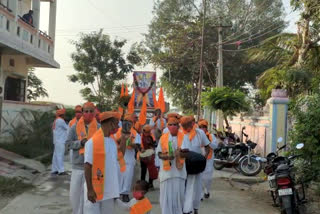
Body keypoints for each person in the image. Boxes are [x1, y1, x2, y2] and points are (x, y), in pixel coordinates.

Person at [84, 111, 128, 214]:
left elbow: (120, 155)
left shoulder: (111, 141)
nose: (118, 126)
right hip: (95, 190)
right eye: (117, 123)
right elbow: (87, 166)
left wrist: (124, 139)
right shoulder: (92, 143)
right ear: (110, 123)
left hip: (109, 191)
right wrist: (90, 189)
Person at [66, 102, 99, 214]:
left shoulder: (99, 128)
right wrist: (81, 143)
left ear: (94, 112)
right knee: (75, 197)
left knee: (89, 199)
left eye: (91, 111)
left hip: (93, 168)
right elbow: (68, 144)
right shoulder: (74, 127)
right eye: (86, 111)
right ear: (83, 112)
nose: (89, 113)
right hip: (78, 168)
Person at [157, 117, 188, 214]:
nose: (173, 126)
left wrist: (178, 153)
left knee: (178, 199)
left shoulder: (184, 137)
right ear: (167, 126)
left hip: (179, 173)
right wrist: (166, 157)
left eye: (175, 124)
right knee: (165, 200)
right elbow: (159, 153)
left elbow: (187, 154)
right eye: (170, 124)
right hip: (166, 174)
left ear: (178, 126)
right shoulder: (163, 138)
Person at [180, 116, 211, 214]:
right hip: (182, 165)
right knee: (183, 188)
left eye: (187, 126)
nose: (185, 128)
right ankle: (185, 209)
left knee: (196, 188)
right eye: (183, 126)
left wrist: (203, 159)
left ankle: (195, 208)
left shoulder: (199, 133)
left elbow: (207, 147)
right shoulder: (179, 133)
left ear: (192, 124)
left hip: (196, 166)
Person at [114, 114, 141, 202]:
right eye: (126, 122)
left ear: (132, 123)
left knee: (128, 176)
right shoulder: (118, 131)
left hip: (129, 158)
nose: (128, 124)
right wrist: (123, 138)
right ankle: (117, 194)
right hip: (120, 157)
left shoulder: (135, 133)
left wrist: (130, 144)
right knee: (118, 176)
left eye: (130, 122)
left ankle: (125, 194)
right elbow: (115, 141)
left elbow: (137, 146)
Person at [198, 119, 218, 199]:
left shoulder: (211, 136)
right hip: (199, 159)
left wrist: (207, 142)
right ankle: (200, 194)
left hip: (209, 160)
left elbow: (215, 146)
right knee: (200, 177)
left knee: (208, 178)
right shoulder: (196, 136)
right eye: (200, 127)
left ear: (206, 128)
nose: (202, 129)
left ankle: (207, 190)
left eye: (204, 127)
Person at [140, 125, 158, 189]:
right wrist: (141, 149)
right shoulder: (140, 136)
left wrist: (152, 147)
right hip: (143, 155)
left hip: (150, 155)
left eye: (148, 132)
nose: (148, 133)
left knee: (151, 170)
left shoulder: (151, 135)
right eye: (146, 132)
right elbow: (138, 145)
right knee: (143, 170)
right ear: (144, 131)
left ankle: (150, 184)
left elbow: (155, 144)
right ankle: (142, 185)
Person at [51, 108, 68, 176]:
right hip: (60, 141)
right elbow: (67, 128)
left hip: (57, 141)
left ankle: (54, 169)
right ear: (62, 115)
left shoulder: (56, 120)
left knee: (55, 156)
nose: (65, 116)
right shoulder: (60, 120)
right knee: (60, 155)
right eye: (64, 114)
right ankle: (61, 171)